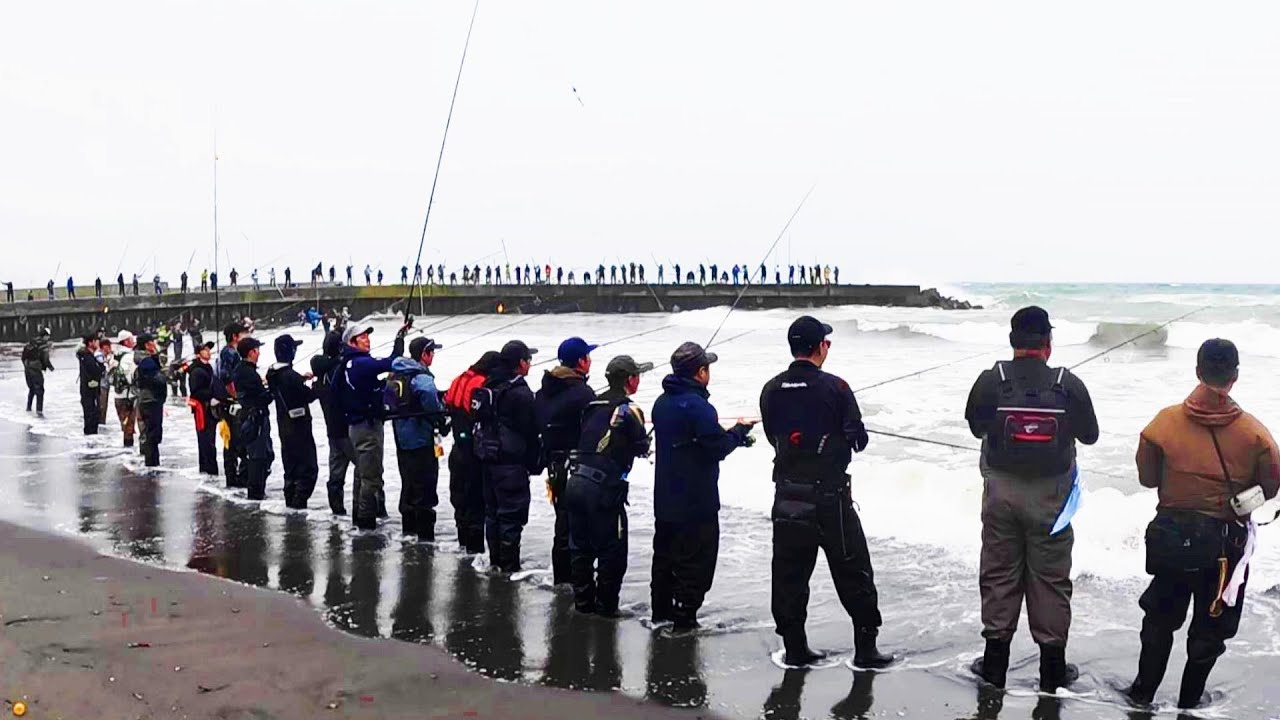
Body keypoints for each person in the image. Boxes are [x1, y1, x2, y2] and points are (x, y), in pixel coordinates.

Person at [1126, 339, 1280, 709]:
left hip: (1171, 538)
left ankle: (1142, 693)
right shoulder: (1255, 434)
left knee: (1160, 620)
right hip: (1224, 548)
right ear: (1235, 377)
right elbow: (1271, 488)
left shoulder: (1161, 424)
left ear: (1197, 372)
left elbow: (1147, 478)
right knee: (1211, 628)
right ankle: (1189, 700)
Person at [964, 306, 1099, 692]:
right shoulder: (1067, 384)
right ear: (1048, 344)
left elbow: (976, 427)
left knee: (998, 575)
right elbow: (1090, 436)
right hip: (1052, 502)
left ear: (1012, 342)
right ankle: (1052, 672)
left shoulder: (992, 381)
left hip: (1000, 494)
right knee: (1052, 581)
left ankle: (993, 668)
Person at [759, 316, 894, 668]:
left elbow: (773, 433)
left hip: (787, 497)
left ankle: (795, 649)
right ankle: (866, 651)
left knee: (789, 576)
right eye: (827, 343)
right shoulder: (837, 388)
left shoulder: (770, 389)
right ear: (820, 347)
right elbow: (858, 440)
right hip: (830, 499)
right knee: (854, 571)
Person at [650, 342, 755, 629]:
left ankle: (660, 615)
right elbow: (716, 447)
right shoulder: (699, 406)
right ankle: (684, 620)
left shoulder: (661, 403)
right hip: (696, 503)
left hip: (665, 500)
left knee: (665, 560)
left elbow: (694, 440)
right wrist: (739, 431)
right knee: (696, 563)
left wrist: (729, 435)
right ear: (700, 372)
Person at [564, 355, 653, 616]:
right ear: (629, 380)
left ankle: (582, 604)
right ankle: (606, 609)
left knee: (580, 547)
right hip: (602, 489)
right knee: (612, 550)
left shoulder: (592, 403)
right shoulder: (629, 408)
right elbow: (641, 447)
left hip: (575, 481)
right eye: (637, 375)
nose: (638, 380)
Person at [534, 336, 599, 585]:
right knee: (577, 528)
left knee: (562, 524)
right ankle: (577, 583)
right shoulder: (583, 393)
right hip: (576, 469)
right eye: (588, 357)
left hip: (553, 466)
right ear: (581, 362)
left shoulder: (543, 392)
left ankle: (561, 580)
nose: (590, 361)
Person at [474, 340, 542, 572]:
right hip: (511, 463)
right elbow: (531, 430)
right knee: (511, 518)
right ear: (520, 363)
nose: (530, 364)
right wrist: (535, 462)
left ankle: (495, 563)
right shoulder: (520, 393)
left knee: (492, 514)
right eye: (528, 360)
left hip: (487, 458)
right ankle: (510, 569)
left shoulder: (489, 384)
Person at [338, 320, 409, 529]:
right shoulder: (360, 363)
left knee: (361, 473)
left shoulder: (347, 364)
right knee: (371, 478)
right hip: (366, 427)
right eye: (362, 337)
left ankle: (358, 518)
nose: (367, 340)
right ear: (351, 342)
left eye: (368, 336)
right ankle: (366, 525)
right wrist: (399, 339)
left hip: (356, 426)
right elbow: (391, 362)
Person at [388, 337, 447, 539]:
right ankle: (425, 539)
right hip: (421, 441)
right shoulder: (422, 378)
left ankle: (408, 532)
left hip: (402, 440)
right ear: (424, 354)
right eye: (431, 352)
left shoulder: (397, 373)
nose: (433, 355)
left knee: (409, 485)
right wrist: (440, 419)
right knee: (425, 487)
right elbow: (429, 398)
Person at [443, 351, 499, 554]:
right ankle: (475, 551)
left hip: (457, 448)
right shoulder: (483, 384)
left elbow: (447, 403)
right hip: (474, 453)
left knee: (459, 499)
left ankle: (463, 545)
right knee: (476, 501)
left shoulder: (459, 379)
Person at [266, 334, 319, 509]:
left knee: (291, 467)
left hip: (284, 426)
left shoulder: (273, 374)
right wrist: (316, 385)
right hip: (299, 426)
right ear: (291, 352)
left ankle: (291, 503)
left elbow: (287, 384)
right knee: (308, 469)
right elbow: (308, 396)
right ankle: (298, 505)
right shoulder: (290, 376)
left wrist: (301, 379)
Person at [312, 331, 357, 515]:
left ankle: (337, 512)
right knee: (365, 469)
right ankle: (369, 511)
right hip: (347, 429)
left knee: (336, 474)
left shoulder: (321, 373)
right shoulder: (338, 370)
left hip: (332, 430)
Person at [234, 337, 274, 500]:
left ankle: (253, 488)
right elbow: (262, 398)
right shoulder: (248, 373)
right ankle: (256, 493)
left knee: (261, 454)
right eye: (257, 350)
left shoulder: (241, 370)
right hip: (254, 418)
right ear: (251, 352)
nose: (259, 353)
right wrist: (271, 390)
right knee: (259, 456)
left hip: (248, 415)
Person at [218, 321, 249, 489]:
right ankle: (233, 479)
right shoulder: (230, 353)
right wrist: (237, 396)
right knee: (233, 441)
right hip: (231, 404)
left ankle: (233, 477)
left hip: (228, 403)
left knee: (231, 441)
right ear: (235, 337)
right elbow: (226, 377)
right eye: (242, 334)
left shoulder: (228, 352)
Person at [134, 333, 168, 467]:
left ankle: (152, 463)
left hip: (148, 399)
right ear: (147, 344)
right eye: (152, 342)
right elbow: (157, 379)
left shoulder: (146, 359)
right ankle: (152, 465)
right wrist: (170, 371)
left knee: (151, 433)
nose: (154, 344)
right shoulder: (145, 361)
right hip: (150, 400)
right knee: (153, 434)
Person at [186, 341, 220, 476]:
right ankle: (208, 468)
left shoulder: (207, 368)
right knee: (205, 438)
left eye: (209, 350)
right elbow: (195, 391)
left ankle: (209, 467)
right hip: (202, 409)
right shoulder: (197, 370)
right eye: (205, 350)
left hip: (209, 408)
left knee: (210, 438)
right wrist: (211, 397)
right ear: (198, 353)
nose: (209, 352)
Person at [110, 330, 138, 445]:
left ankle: (126, 451)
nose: (134, 341)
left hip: (117, 394)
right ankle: (129, 454)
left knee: (125, 425)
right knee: (129, 426)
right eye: (131, 339)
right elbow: (130, 376)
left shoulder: (115, 355)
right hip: (128, 396)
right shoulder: (128, 357)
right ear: (126, 341)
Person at [21, 327, 53, 416]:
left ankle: (28, 408)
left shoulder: (31, 343)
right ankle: (39, 411)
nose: (48, 338)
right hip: (35, 369)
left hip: (27, 368)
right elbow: (45, 358)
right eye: (48, 336)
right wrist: (50, 367)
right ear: (45, 336)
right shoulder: (43, 345)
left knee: (32, 389)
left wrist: (26, 366)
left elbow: (23, 357)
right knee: (40, 390)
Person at [77, 335, 103, 435]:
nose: (98, 343)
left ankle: (91, 437)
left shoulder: (86, 355)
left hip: (88, 388)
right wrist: (101, 365)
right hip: (89, 389)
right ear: (90, 343)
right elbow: (95, 371)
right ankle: (90, 438)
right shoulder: (87, 357)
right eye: (96, 341)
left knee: (92, 414)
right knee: (91, 415)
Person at [96, 338, 113, 426]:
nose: (110, 348)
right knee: (102, 406)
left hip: (106, 384)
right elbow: (105, 366)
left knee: (104, 406)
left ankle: (102, 423)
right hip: (101, 384)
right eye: (109, 346)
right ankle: (100, 423)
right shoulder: (99, 355)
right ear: (104, 346)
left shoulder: (105, 355)